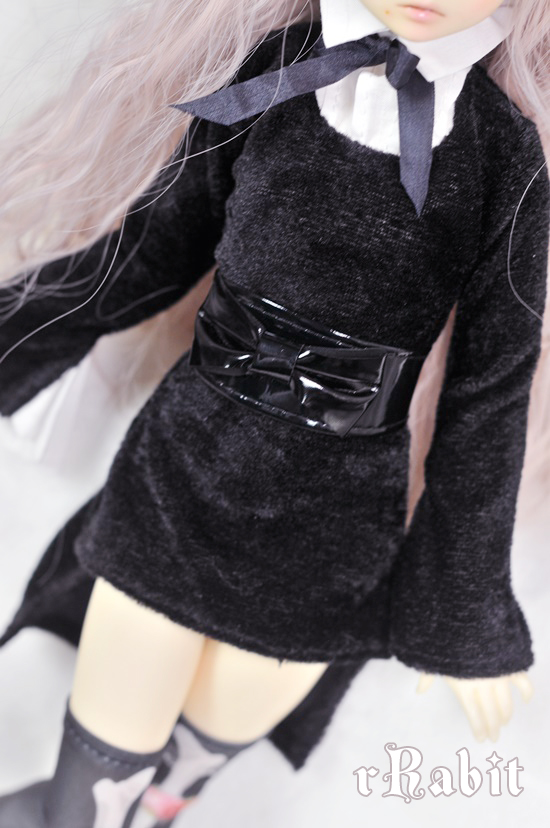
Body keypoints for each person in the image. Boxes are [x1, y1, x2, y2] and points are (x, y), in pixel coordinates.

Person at [0, 0, 548, 825]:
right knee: (90, 803)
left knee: (162, 797)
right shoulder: (276, 74)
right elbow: (149, 256)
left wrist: (464, 612)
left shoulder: (504, 155)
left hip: (332, 538)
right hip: (183, 481)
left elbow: (490, 392)